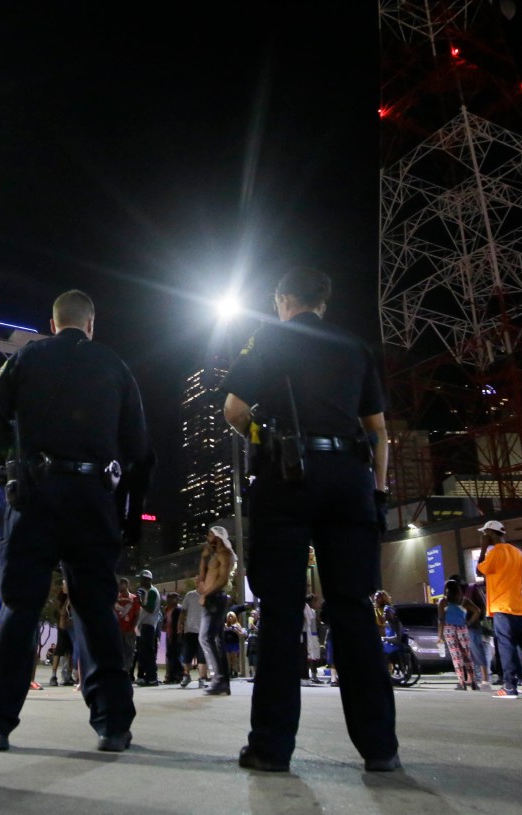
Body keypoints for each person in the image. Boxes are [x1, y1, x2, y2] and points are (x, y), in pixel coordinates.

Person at [222, 267, 399, 773]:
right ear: (322, 302)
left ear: (283, 300)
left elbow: (234, 409)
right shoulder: (355, 347)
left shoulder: (269, 337)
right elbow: (378, 429)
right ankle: (380, 748)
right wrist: (378, 490)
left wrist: (266, 437)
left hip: (288, 479)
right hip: (350, 480)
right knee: (353, 609)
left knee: (281, 612)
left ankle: (271, 747)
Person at [0, 289, 150, 754]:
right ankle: (113, 725)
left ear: (53, 324)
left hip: (34, 495)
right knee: (96, 609)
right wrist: (128, 511)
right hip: (93, 499)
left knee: (20, 608)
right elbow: (139, 449)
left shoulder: (26, 360)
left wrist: (6, 460)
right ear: (91, 325)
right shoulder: (115, 366)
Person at [474, 520, 522, 699]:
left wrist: (483, 548)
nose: (483, 536)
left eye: (485, 533)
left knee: (506, 648)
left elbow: (479, 571)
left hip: (502, 607)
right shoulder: (517, 552)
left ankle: (510, 687)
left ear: (491, 533)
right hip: (520, 607)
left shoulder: (494, 552)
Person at [197, 526, 236, 696]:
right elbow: (202, 576)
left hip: (216, 598)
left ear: (218, 536)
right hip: (210, 597)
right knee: (217, 640)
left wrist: (206, 594)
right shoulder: (213, 554)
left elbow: (222, 580)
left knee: (206, 637)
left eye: (210, 534)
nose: (208, 537)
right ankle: (223, 682)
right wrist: (203, 558)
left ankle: (218, 679)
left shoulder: (225, 553)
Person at [437, 578, 481, 690]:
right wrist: (469, 622)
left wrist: (440, 636)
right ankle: (473, 681)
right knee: (467, 655)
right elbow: (477, 611)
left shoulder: (443, 602)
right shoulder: (463, 601)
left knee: (456, 656)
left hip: (449, 629)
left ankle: (462, 682)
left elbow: (441, 619)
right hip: (462, 628)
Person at [134, 570, 161, 686]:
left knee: (148, 652)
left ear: (147, 580)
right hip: (145, 625)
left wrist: (140, 603)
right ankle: (148, 677)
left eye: (141, 579)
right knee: (144, 652)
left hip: (148, 625)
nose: (140, 581)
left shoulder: (152, 592)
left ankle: (152, 678)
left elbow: (150, 609)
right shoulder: (148, 591)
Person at [180, 587, 207, 688]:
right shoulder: (190, 595)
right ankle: (186, 676)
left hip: (203, 631)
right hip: (190, 630)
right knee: (187, 656)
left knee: (202, 657)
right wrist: (180, 624)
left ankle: (202, 679)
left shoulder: (209, 596)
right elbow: (183, 611)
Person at [50, 580, 74, 687]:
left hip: (72, 627)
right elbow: (61, 611)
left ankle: (68, 675)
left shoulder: (74, 595)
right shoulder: (62, 598)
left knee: (70, 651)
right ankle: (53, 675)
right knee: (59, 650)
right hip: (63, 626)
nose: (65, 587)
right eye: (64, 585)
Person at [115, 578, 141, 672]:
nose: (121, 586)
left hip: (129, 631)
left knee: (129, 652)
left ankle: (127, 672)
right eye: (119, 584)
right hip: (117, 631)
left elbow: (137, 615)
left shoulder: (134, 598)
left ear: (127, 585)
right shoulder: (115, 598)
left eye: (123, 584)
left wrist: (132, 628)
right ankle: (119, 672)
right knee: (118, 653)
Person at [161, 592, 183, 685]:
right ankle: (171, 675)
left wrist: (179, 634)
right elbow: (165, 621)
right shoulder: (167, 609)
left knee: (176, 655)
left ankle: (179, 675)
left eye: (172, 598)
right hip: (169, 634)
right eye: (169, 598)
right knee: (170, 655)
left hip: (176, 634)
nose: (169, 600)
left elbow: (180, 623)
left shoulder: (179, 609)